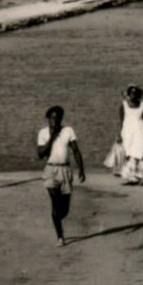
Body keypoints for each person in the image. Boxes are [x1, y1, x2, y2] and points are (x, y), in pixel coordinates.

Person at [37, 105, 85, 246]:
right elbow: (40, 154)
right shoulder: (43, 133)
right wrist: (52, 137)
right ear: (48, 119)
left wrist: (81, 169)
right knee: (55, 202)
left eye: (57, 118)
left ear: (61, 119)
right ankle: (60, 237)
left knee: (64, 210)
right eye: (52, 118)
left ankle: (58, 220)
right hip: (50, 170)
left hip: (65, 171)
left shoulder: (68, 131)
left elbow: (76, 150)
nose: (55, 121)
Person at [116, 84, 143, 185]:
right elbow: (121, 121)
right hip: (127, 132)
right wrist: (119, 134)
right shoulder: (123, 105)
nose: (133, 95)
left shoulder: (142, 105)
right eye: (131, 93)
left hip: (139, 131)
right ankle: (130, 177)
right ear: (129, 94)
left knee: (139, 153)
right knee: (129, 154)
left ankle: (138, 176)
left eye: (135, 93)